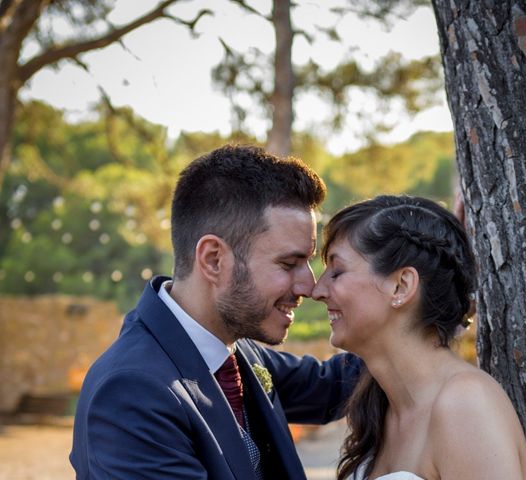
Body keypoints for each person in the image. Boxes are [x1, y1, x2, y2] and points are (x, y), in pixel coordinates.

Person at [70, 145, 360, 479]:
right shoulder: (130, 393)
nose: (308, 286)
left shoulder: (236, 351)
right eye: (289, 263)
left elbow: (332, 387)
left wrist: (415, 314)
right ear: (213, 259)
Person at [312, 195, 526, 480]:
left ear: (401, 286)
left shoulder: (466, 406)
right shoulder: (383, 405)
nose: (316, 290)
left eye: (337, 271)